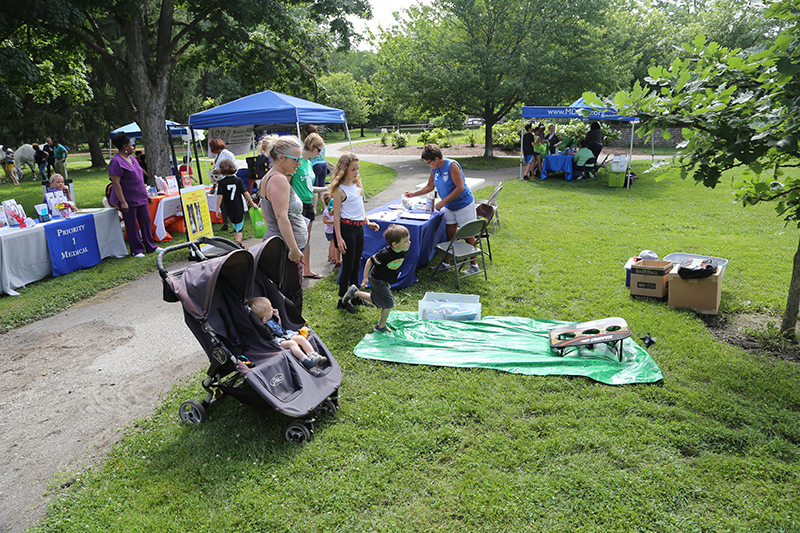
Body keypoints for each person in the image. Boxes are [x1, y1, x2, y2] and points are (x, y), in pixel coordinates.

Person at [404, 144, 479, 272]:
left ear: (437, 158)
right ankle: (446, 264)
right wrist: (413, 194)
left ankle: (474, 265)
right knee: (450, 234)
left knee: (467, 235)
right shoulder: (434, 168)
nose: (428, 165)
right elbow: (429, 187)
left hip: (463, 204)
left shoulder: (452, 165)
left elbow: (460, 187)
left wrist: (443, 202)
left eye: (429, 162)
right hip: (450, 206)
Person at [258, 134, 307, 313]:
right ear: (281, 158)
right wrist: (293, 249)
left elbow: (267, 215)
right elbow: (281, 217)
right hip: (284, 250)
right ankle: (293, 330)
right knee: (291, 294)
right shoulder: (278, 179)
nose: (299, 163)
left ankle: (288, 327)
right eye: (296, 159)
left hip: (278, 245)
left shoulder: (272, 177)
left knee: (283, 293)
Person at [330, 153, 380, 314]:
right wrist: (339, 238)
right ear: (344, 170)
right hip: (347, 229)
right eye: (353, 169)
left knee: (357, 264)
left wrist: (367, 221)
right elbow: (336, 215)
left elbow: (360, 207)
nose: (356, 172)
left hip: (359, 228)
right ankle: (341, 300)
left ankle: (356, 295)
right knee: (348, 265)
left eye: (357, 168)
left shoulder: (357, 185)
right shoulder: (340, 190)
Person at [341, 224, 411, 333]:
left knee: (378, 300)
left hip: (386, 279)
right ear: (395, 244)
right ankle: (380, 327)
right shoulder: (385, 254)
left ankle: (355, 292)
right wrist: (365, 279)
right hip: (378, 280)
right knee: (388, 303)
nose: (409, 243)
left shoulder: (403, 250)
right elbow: (369, 261)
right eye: (406, 241)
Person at [108, 132, 160, 258]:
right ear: (125, 146)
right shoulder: (116, 161)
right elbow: (116, 183)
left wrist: (146, 194)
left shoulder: (133, 159)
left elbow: (139, 178)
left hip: (140, 196)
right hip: (128, 198)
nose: (133, 147)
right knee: (131, 225)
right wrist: (123, 202)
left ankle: (150, 246)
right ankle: (137, 250)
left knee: (146, 222)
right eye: (131, 145)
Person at [248, 297, 327, 369]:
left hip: (284, 335)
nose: (272, 309)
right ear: (263, 319)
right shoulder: (262, 327)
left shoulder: (270, 319)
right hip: (277, 342)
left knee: (300, 338)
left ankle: (314, 355)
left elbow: (279, 326)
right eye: (270, 309)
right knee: (292, 343)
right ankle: (305, 360)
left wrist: (277, 317)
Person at [291, 133, 328, 279]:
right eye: (318, 150)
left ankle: (306, 269)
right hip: (298, 206)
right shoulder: (298, 162)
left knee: (306, 238)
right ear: (312, 147)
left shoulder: (308, 163)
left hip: (308, 205)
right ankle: (295, 270)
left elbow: (309, 187)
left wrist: (326, 188)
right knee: (298, 239)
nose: (319, 154)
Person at [215, 159, 258, 246]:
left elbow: (220, 196)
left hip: (228, 208)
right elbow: (245, 193)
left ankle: (238, 243)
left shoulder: (222, 182)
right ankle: (238, 243)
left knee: (235, 226)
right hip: (238, 206)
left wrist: (217, 209)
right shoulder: (237, 180)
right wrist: (252, 203)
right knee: (240, 227)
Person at [209, 137, 236, 231]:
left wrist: (220, 171)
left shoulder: (228, 154)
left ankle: (235, 225)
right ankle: (226, 224)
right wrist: (214, 186)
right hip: (220, 182)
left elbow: (235, 168)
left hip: (229, 182)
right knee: (222, 205)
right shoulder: (217, 156)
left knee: (230, 205)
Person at [305, 124, 329, 211]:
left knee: (315, 187)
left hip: (315, 165)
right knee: (322, 187)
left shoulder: (311, 143)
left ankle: (314, 208)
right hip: (324, 164)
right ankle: (325, 206)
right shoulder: (321, 142)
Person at [322, 192, 340, 268]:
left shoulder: (335, 210)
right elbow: (325, 221)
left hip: (333, 230)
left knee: (332, 244)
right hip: (330, 230)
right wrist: (334, 221)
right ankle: (333, 257)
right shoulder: (327, 211)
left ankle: (331, 256)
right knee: (333, 244)